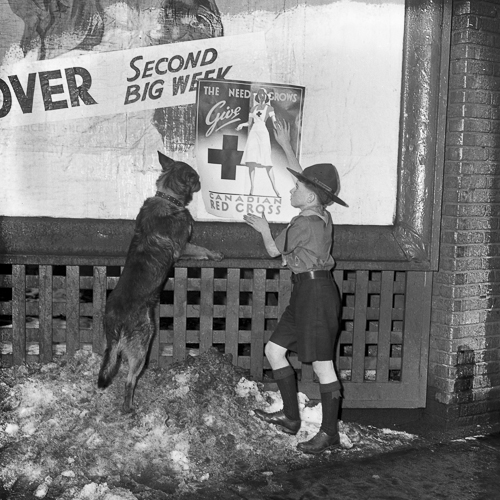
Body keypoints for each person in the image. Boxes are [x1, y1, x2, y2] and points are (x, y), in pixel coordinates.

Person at [243, 121, 348, 454]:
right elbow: (305, 180)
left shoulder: (303, 222)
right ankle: (291, 419)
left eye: (296, 188)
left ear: (311, 196)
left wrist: (262, 227)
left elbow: (274, 251)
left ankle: (329, 433)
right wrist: (287, 146)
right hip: (307, 292)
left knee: (322, 366)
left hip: (316, 296)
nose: (291, 189)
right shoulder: (320, 214)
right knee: (274, 351)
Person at [236, 88, 280, 197]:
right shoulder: (253, 108)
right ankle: (252, 188)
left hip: (263, 133)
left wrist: (277, 126)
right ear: (258, 96)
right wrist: (242, 125)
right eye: (260, 94)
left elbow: (274, 120)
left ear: (266, 96)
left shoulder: (269, 108)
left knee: (267, 161)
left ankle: (275, 189)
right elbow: (250, 122)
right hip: (253, 133)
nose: (261, 96)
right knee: (251, 160)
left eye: (263, 94)